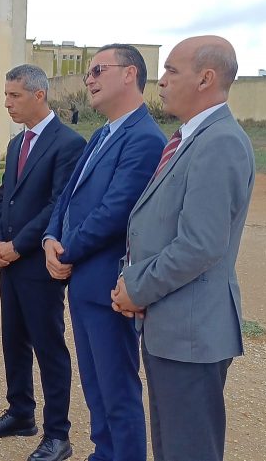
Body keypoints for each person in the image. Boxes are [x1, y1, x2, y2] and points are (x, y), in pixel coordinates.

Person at [112, 35, 255, 461]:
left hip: (192, 333)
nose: (161, 81)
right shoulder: (191, 137)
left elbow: (200, 244)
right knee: (172, 446)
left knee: (188, 450)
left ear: (205, 78)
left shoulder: (220, 142)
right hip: (172, 326)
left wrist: (136, 288)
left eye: (172, 71)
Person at [43, 44, 166, 461]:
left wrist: (66, 252)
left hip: (109, 286)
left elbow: (115, 211)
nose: (89, 79)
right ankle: (103, 454)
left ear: (130, 73)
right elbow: (68, 197)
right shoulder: (101, 134)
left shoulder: (145, 139)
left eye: (98, 70)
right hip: (83, 281)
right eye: (88, 73)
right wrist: (49, 238)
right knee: (96, 388)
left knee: (117, 390)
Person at [0, 65, 84, 461]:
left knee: (48, 347)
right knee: (14, 341)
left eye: (15, 95)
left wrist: (18, 245)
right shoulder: (16, 143)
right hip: (10, 262)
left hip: (39, 262)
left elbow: (59, 205)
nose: (7, 103)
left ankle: (58, 434)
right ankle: (21, 412)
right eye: (6, 95)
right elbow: (4, 196)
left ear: (39, 95)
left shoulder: (68, 143)